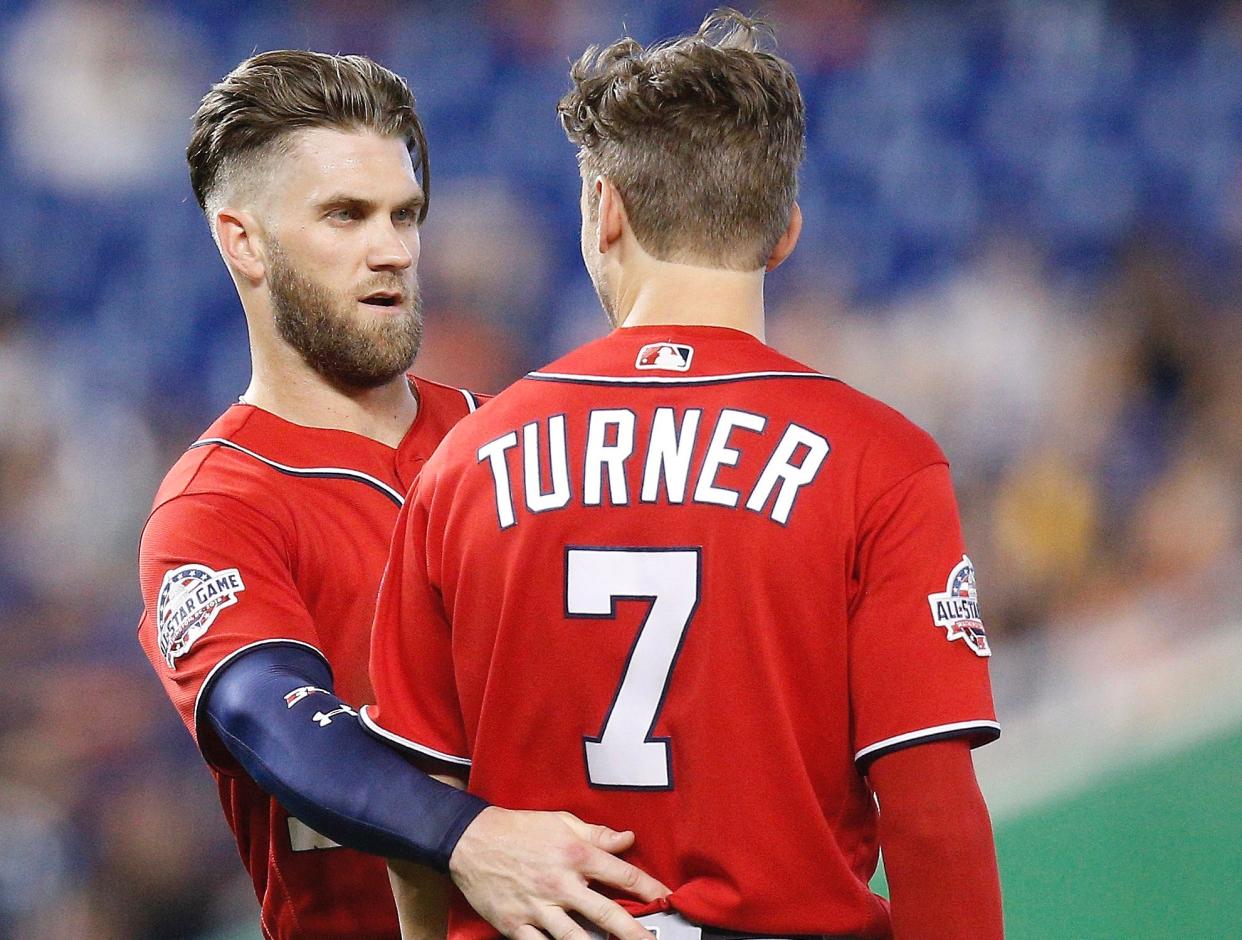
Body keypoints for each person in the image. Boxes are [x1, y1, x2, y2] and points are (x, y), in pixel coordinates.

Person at [364, 10, 1004, 940]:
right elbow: (931, 809)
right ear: (784, 230)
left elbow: (419, 800)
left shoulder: (461, 464)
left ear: (604, 211)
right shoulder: (883, 464)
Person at [135, 50, 666, 940]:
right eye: (345, 216)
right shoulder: (217, 506)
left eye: (405, 214)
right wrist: (468, 839)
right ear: (243, 239)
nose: (393, 250)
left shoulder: (533, 441)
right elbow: (270, 718)